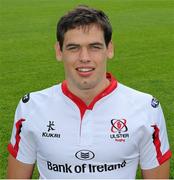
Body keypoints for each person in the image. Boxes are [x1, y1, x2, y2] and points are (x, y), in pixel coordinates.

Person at [7, 5, 172, 179]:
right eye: (73, 48)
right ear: (59, 51)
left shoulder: (146, 108)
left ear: (109, 49)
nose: (84, 57)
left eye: (94, 47)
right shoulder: (31, 107)